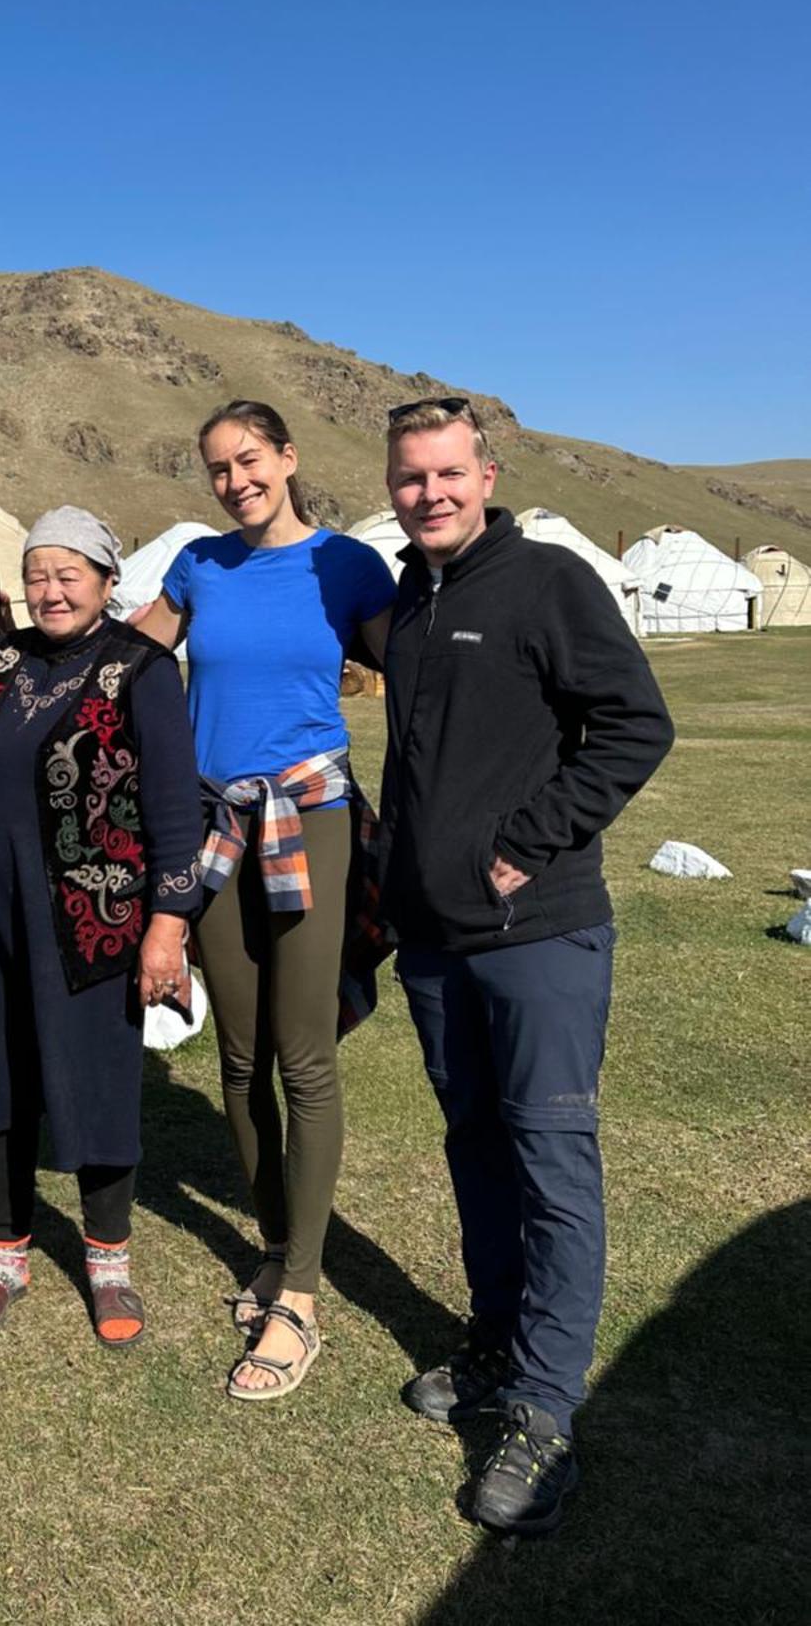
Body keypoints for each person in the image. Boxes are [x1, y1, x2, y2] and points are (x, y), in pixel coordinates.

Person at [379, 398, 673, 1534]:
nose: (431, 493)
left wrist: (527, 837)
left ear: (487, 474)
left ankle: (546, 1412)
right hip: (436, 943)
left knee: (552, 1163)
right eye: (411, 477)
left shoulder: (548, 579)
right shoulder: (411, 597)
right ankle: (499, 1344)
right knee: (475, 1149)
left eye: (449, 473)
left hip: (539, 932)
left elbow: (636, 724)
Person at [131, 401, 396, 1400]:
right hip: (215, 829)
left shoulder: (346, 565)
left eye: (249, 460)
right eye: (217, 468)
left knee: (302, 1052)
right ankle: (280, 1246)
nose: (235, 480)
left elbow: (418, 673)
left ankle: (303, 1295)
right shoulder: (200, 565)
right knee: (237, 1057)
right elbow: (126, 661)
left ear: (287, 458)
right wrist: (16, 643)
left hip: (309, 819)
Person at [0, 507, 203, 1348]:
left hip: (95, 919)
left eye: (70, 575)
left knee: (98, 1081)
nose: (52, 591)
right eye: (38, 576)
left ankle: (108, 1263)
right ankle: (5, 1253)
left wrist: (167, 929)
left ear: (105, 581)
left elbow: (174, 810)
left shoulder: (142, 667)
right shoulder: (9, 660)